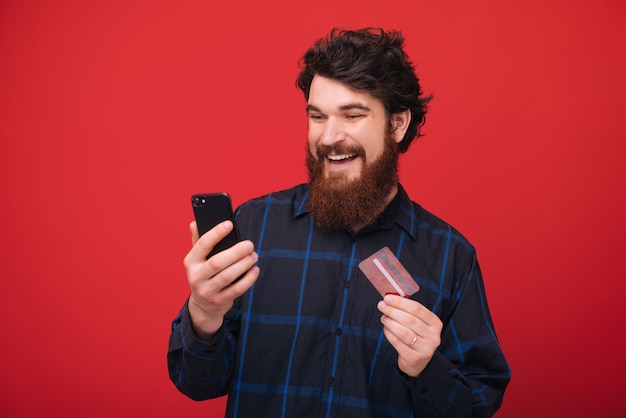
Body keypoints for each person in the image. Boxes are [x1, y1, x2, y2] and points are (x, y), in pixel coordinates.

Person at [168, 27, 511, 417]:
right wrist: (204, 314)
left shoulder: (451, 256)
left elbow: (476, 406)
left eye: (352, 115)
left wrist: (426, 368)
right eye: (317, 116)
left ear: (397, 124)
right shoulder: (255, 227)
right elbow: (197, 383)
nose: (329, 137)